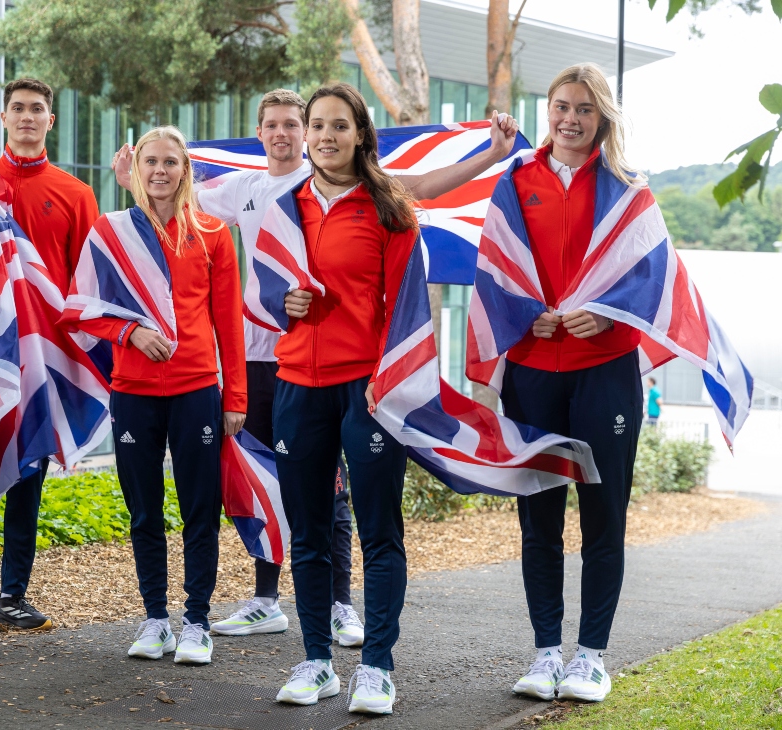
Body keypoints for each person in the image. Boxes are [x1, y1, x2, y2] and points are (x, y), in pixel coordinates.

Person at [112, 91, 520, 647]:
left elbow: (418, 191)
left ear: (307, 132)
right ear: (260, 133)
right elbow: (171, 194)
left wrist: (490, 156)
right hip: (263, 358)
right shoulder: (247, 190)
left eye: (292, 124)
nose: (283, 133)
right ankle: (265, 600)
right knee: (267, 479)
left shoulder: (337, 185)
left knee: (334, 487)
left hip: (334, 360)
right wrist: (135, 176)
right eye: (272, 125)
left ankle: (340, 605)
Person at [263, 82, 418, 714]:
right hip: (297, 386)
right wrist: (285, 304)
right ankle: (317, 661)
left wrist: (386, 375)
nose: (326, 136)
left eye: (338, 126)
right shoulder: (283, 206)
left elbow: (406, 305)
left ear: (360, 134)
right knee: (309, 531)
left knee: (379, 531)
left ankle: (376, 667)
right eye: (317, 125)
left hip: (369, 388)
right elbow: (264, 292)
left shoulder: (390, 210)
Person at [66, 126, 247, 665]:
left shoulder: (213, 232)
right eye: (151, 162)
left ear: (185, 169)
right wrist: (128, 333)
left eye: (171, 162)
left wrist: (235, 395)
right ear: (136, 169)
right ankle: (155, 619)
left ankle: (196, 622)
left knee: (199, 508)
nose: (161, 171)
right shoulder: (111, 231)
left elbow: (228, 322)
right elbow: (79, 307)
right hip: (134, 390)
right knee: (143, 509)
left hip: (197, 390)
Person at [498, 64, 646, 705]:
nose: (570, 119)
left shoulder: (628, 190)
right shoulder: (515, 180)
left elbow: (651, 278)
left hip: (605, 372)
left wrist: (607, 312)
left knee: (602, 518)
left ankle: (590, 657)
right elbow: (493, 269)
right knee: (538, 521)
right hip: (532, 371)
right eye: (561, 106)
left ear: (602, 117)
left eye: (584, 109)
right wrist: (525, 311)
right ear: (547, 110)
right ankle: (545, 652)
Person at [0, 78, 99, 632]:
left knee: (28, 468)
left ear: (51, 120)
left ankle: (11, 595)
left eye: (37, 109)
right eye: (18, 109)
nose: (27, 117)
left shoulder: (76, 193)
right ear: (3, 117)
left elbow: (85, 283)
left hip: (43, 356)